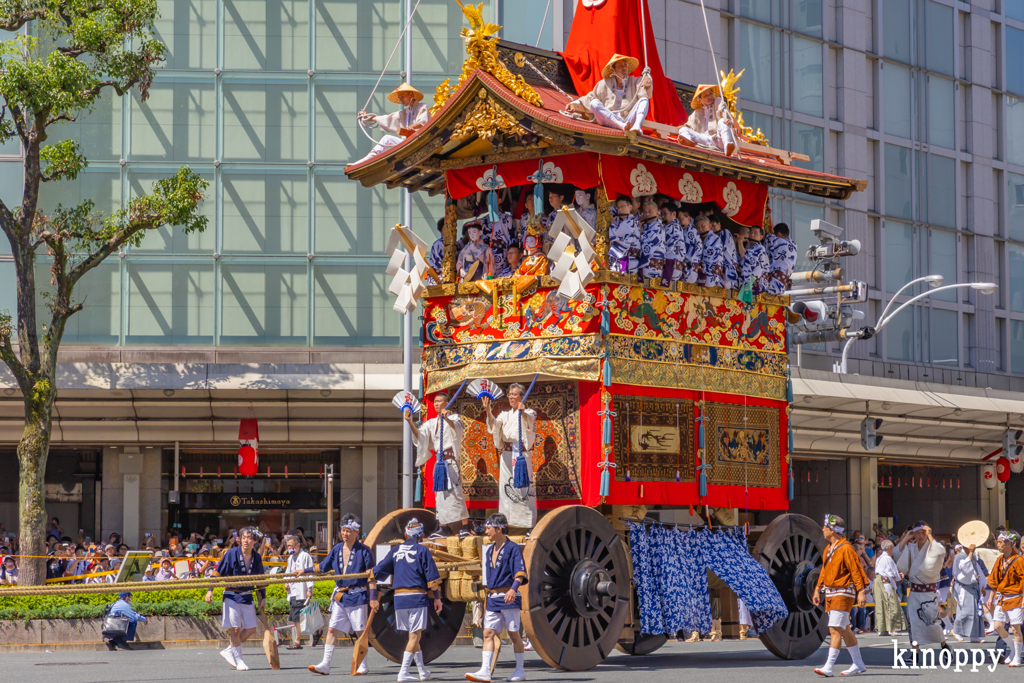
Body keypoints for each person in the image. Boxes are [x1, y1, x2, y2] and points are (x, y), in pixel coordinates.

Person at [303, 514, 377, 676]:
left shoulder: (364, 551)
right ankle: (325, 664)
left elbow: (371, 576)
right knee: (331, 629)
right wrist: (304, 571)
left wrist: (373, 598)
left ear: (356, 533)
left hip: (357, 595)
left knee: (359, 631)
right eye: (343, 530)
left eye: (349, 531)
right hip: (340, 596)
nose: (345, 534)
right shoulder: (336, 549)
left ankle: (363, 664)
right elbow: (322, 567)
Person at [371, 518, 443, 682]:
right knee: (414, 636)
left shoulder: (395, 551)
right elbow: (432, 578)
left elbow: (378, 571)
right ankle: (403, 672)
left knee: (413, 636)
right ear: (422, 535)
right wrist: (437, 598)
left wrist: (370, 576)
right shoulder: (423, 551)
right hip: (416, 598)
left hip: (399, 599)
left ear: (405, 534)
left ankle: (422, 671)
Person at [466, 514, 528, 683]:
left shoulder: (513, 548)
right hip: (493, 596)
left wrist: (513, 590)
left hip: (508, 596)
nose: (486, 532)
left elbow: (520, 573)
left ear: (498, 529)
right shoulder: (488, 550)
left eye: (488, 528)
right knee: (487, 633)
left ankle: (520, 670)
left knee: (514, 635)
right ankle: (485, 670)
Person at [404, 391, 472, 537]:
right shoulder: (431, 422)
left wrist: (446, 418)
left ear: (446, 404)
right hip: (439, 462)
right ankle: (443, 526)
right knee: (440, 495)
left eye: (439, 401)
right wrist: (409, 422)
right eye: (435, 401)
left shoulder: (454, 418)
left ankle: (465, 525)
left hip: (450, 461)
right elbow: (420, 438)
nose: (436, 404)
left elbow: (457, 429)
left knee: (455, 493)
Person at [812, 514, 868, 677]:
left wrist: (861, 591)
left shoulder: (846, 548)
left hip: (843, 592)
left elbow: (856, 571)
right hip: (831, 593)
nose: (823, 530)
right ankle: (858, 663)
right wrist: (817, 589)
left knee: (835, 628)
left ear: (833, 530)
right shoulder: (828, 548)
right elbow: (824, 571)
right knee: (844, 629)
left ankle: (828, 667)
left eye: (825, 527)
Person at [205, 526, 266, 672]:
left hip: (247, 595)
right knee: (236, 628)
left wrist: (262, 597)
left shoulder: (257, 557)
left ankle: (229, 650)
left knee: (251, 628)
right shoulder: (231, 553)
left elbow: (260, 579)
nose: (246, 541)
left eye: (249, 538)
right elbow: (217, 572)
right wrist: (210, 590)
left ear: (255, 541)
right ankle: (239, 660)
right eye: (244, 537)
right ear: (239, 539)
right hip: (231, 594)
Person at [483, 383, 538, 532]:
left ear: (522, 396)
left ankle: (527, 525)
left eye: (514, 394)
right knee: (506, 488)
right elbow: (494, 426)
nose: (511, 397)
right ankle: (506, 523)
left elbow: (529, 421)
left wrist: (523, 413)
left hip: (520, 455)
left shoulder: (530, 412)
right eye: (509, 394)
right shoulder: (505, 414)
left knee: (523, 489)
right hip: (506, 456)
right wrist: (488, 411)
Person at [895, 521, 950, 655]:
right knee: (914, 624)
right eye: (917, 533)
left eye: (923, 533)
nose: (920, 536)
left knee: (932, 622)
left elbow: (939, 553)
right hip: (914, 591)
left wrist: (930, 535)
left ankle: (945, 646)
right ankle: (915, 653)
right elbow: (897, 553)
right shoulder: (911, 547)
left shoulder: (933, 546)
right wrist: (907, 537)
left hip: (928, 592)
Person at [567, 54, 652, 133]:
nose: (624, 67)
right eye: (620, 65)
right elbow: (591, 97)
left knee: (644, 99)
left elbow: (644, 85)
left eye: (625, 65)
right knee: (594, 103)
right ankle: (621, 125)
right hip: (608, 120)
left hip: (628, 120)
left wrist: (647, 78)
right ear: (613, 69)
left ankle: (637, 127)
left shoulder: (634, 81)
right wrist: (574, 103)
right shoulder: (604, 83)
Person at [355, 83, 429, 163]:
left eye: (402, 96)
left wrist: (412, 127)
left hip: (418, 142)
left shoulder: (422, 107)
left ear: (411, 94)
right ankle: (367, 160)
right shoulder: (405, 112)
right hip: (407, 143)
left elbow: (423, 122)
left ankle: (367, 160)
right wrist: (368, 118)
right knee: (387, 139)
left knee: (387, 139)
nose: (401, 100)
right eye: (399, 97)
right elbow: (388, 119)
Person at [986, 530, 1024, 665]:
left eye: (1001, 542)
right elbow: (994, 581)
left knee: (1015, 628)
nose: (998, 545)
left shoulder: (1019, 560)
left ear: (1010, 544)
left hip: (1016, 597)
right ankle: (1014, 649)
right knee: (997, 626)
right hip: (1001, 598)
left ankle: (1017, 658)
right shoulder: (999, 560)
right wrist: (991, 597)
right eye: (998, 542)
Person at [678, 84, 739, 157]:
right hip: (705, 139)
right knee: (684, 129)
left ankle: (727, 148)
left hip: (719, 139)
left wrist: (726, 119)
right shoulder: (697, 112)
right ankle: (689, 142)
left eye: (710, 93)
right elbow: (687, 126)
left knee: (722, 122)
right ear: (700, 100)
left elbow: (723, 110)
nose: (709, 96)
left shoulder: (718, 101)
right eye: (705, 96)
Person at [283, 534, 315, 650]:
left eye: (291, 545)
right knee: (296, 617)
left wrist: (309, 589)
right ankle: (315, 632)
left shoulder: (305, 556)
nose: (289, 548)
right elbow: (288, 572)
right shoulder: (290, 558)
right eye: (288, 546)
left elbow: (310, 573)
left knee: (297, 617)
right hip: (293, 591)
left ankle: (297, 641)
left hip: (301, 590)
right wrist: (286, 582)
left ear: (298, 545)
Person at [952, 542, 986, 643]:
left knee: (975, 613)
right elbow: (965, 569)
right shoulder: (959, 556)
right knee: (965, 612)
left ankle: (974, 636)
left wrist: (982, 585)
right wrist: (970, 553)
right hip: (964, 587)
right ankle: (957, 630)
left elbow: (977, 571)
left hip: (973, 587)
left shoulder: (973, 556)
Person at [873, 539, 907, 637]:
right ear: (889, 548)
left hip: (878, 581)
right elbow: (891, 574)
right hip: (885, 582)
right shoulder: (887, 558)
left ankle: (882, 629)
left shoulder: (880, 558)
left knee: (881, 605)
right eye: (893, 548)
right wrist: (899, 577)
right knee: (892, 604)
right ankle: (892, 629)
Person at [609, 195, 640, 274]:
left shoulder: (631, 222)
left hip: (627, 260)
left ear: (630, 207)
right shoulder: (619, 221)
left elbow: (615, 233)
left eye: (622, 206)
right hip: (619, 260)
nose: (620, 209)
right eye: (618, 207)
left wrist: (611, 224)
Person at [637, 198, 666, 281]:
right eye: (645, 212)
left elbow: (642, 240)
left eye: (650, 211)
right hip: (647, 269)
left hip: (652, 269)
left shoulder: (658, 227)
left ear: (657, 213)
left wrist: (638, 228)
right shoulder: (646, 225)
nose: (647, 214)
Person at [765, 222, 797, 294]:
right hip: (784, 284)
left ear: (779, 234)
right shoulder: (794, 245)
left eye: (775, 235)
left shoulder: (780, 242)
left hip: (775, 281)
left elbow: (765, 236)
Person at [738, 225, 770, 295]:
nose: (752, 235)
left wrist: (740, 241)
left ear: (761, 237)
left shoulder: (760, 248)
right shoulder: (749, 246)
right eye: (751, 232)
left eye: (755, 233)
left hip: (755, 283)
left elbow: (743, 255)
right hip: (748, 282)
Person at [698, 216, 723, 287]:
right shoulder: (701, 239)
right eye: (698, 227)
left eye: (703, 226)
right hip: (704, 274)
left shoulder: (714, 238)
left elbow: (709, 260)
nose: (700, 229)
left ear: (709, 226)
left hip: (711, 275)